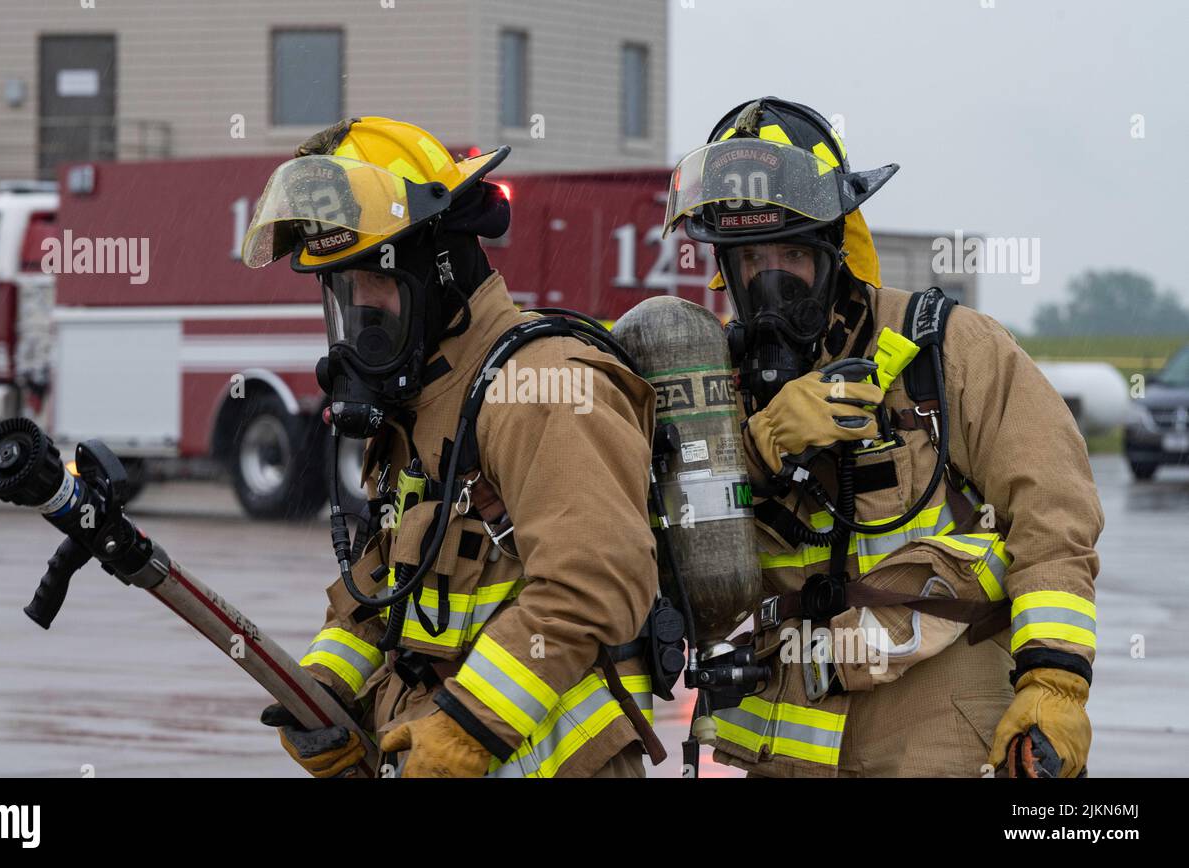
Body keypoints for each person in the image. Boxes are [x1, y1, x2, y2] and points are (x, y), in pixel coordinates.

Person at [664, 97, 1100, 778]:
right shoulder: (713, 384)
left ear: (835, 247)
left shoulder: (946, 349)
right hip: (787, 746)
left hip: (939, 738)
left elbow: (1055, 516)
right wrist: (756, 447)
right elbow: (664, 557)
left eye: (791, 252)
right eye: (751, 259)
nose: (770, 279)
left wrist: (1054, 683)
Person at [241, 116, 660, 777]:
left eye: (375, 281)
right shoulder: (425, 404)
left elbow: (595, 584)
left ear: (439, 264)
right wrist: (325, 691)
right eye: (343, 293)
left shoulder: (542, 383)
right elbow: (387, 582)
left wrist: (468, 730)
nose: (362, 314)